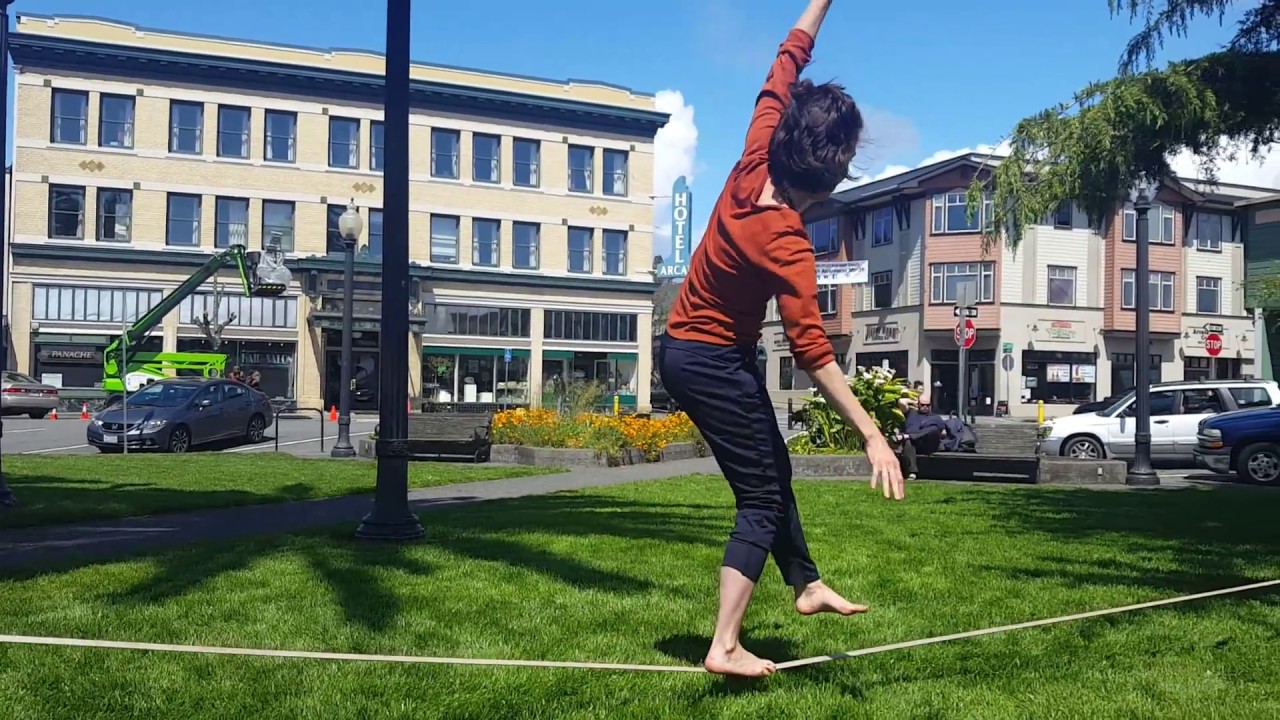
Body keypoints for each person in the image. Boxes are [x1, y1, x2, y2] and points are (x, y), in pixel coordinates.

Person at [658, 0, 904, 679]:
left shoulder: (755, 151)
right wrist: (871, 434)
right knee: (760, 499)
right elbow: (814, 353)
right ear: (830, 179)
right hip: (709, 359)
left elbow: (788, 56)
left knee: (773, 468)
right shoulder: (788, 243)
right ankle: (724, 645)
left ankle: (806, 582)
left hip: (694, 350)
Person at [895, 394, 948, 480]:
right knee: (908, 441)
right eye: (922, 405)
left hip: (928, 444)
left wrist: (910, 435)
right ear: (918, 404)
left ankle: (910, 436)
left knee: (934, 429)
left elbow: (943, 432)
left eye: (927, 405)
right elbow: (901, 401)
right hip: (914, 444)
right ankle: (912, 472)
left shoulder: (935, 417)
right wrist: (914, 402)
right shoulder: (911, 413)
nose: (925, 407)